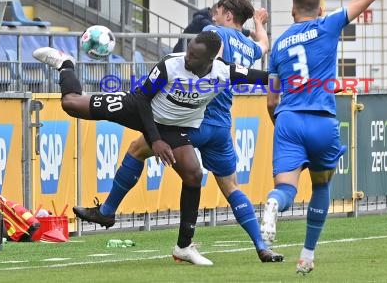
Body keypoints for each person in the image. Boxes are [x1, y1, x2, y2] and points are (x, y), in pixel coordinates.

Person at [73, 0, 284, 263]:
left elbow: (211, 63)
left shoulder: (213, 33)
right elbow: (263, 45)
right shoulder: (248, 46)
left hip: (192, 120)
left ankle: (107, 210)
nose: (212, 14)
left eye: (217, 10)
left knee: (138, 148)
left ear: (228, 15)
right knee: (231, 187)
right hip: (221, 126)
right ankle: (261, 246)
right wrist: (260, 24)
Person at [32, 31, 268, 266]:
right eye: (189, 50)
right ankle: (65, 64)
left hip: (173, 127)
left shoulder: (225, 72)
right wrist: (154, 140)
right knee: (71, 104)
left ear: (211, 60)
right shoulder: (170, 65)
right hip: (138, 108)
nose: (187, 57)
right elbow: (143, 99)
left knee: (194, 175)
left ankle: (184, 246)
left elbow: (268, 78)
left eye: (194, 56)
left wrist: (301, 80)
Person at [260, 0, 387, 275]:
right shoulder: (327, 25)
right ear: (320, 10)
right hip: (321, 119)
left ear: (291, 11)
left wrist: (283, 122)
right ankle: (307, 254)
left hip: (288, 119)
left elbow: (271, 99)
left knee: (285, 188)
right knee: (321, 184)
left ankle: (272, 206)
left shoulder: (280, 44)